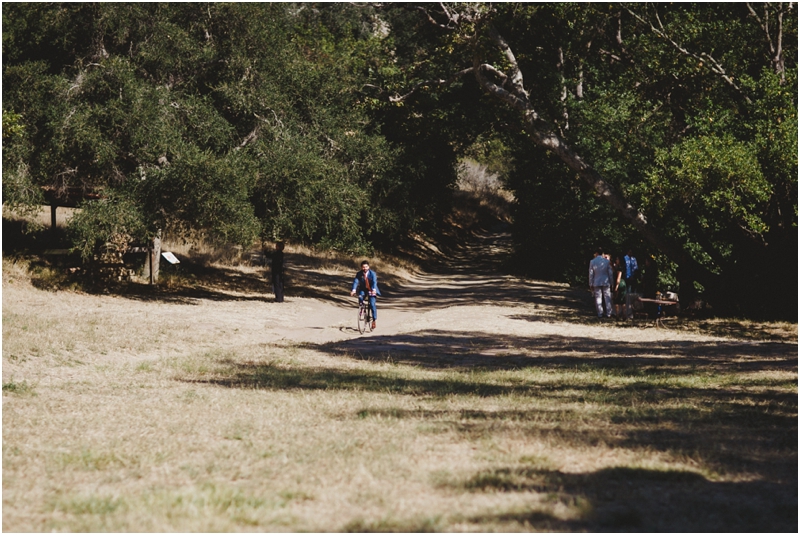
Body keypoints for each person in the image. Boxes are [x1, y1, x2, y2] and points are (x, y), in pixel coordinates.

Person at [350, 260, 380, 329]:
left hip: (372, 289)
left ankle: (374, 320)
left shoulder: (372, 273)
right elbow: (356, 282)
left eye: (366, 267)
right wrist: (353, 290)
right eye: (363, 267)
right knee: (360, 297)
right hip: (363, 289)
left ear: (368, 267)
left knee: (372, 304)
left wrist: (374, 290)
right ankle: (362, 308)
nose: (365, 268)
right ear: (361, 267)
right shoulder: (359, 274)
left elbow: (374, 282)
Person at [589, 248, 614, 319]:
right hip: (605, 281)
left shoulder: (592, 261)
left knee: (598, 297)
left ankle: (600, 313)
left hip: (596, 281)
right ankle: (609, 313)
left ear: (596, 253)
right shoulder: (606, 261)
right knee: (607, 297)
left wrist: (590, 283)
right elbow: (610, 273)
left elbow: (591, 274)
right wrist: (612, 282)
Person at [623, 249, 639, 318]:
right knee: (627, 293)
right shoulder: (625, 258)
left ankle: (632, 309)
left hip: (633, 278)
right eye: (629, 251)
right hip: (627, 277)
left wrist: (634, 276)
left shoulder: (634, 259)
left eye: (631, 252)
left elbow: (636, 268)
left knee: (633, 293)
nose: (630, 253)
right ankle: (626, 310)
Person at [613, 255, 628, 320]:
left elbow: (618, 278)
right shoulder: (623, 267)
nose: (616, 260)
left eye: (617, 259)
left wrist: (616, 286)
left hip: (620, 284)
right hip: (624, 283)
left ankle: (617, 315)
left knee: (616, 300)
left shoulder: (620, 268)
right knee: (623, 300)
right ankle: (624, 314)